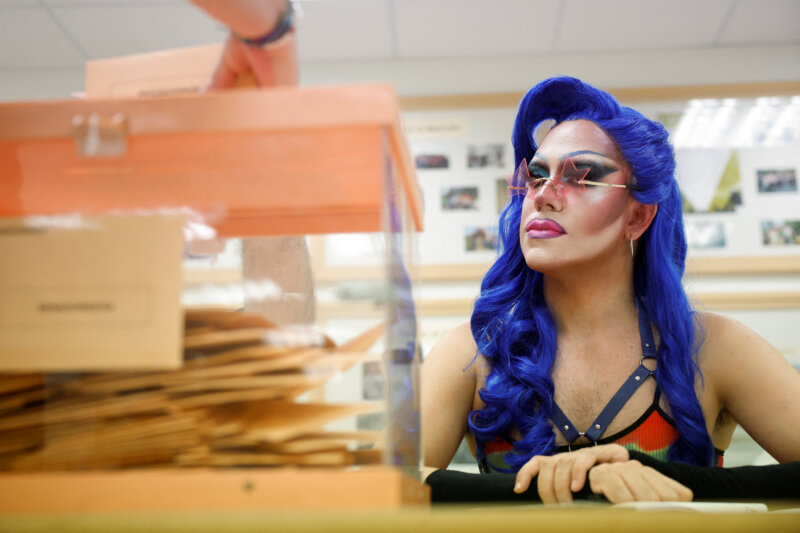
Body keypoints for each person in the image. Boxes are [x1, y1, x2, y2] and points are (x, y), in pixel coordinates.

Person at [421, 76, 800, 503]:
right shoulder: (472, 353)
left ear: (637, 217)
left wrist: (657, 477)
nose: (544, 195)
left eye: (582, 176)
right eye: (537, 175)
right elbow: (378, 488)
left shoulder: (714, 347)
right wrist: (560, 488)